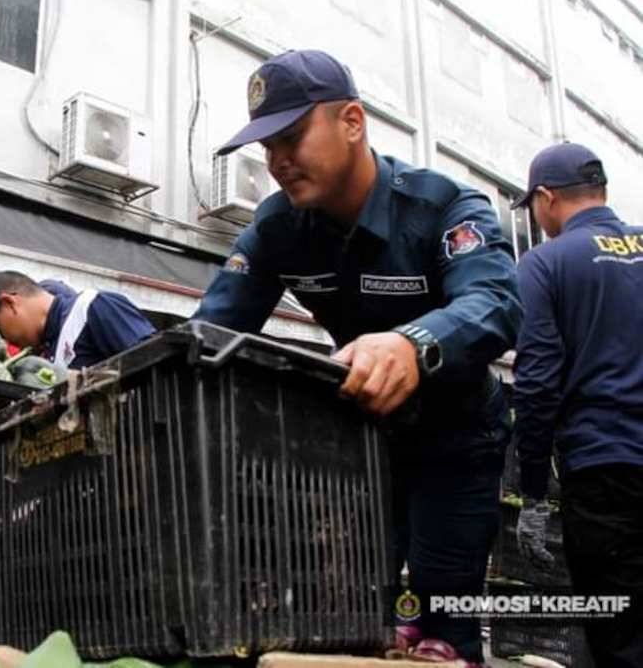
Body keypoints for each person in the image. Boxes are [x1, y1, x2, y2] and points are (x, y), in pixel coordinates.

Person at [192, 49, 521, 665]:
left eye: (292, 137)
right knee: (358, 617)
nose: (278, 161)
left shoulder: (445, 207)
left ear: (352, 121)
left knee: (442, 622)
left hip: (457, 438)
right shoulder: (277, 228)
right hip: (361, 446)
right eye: (267, 146)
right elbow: (211, 331)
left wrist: (414, 344)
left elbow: (496, 301)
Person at [511, 142, 643, 667]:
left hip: (605, 472)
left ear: (546, 198)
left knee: (621, 634)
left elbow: (537, 383)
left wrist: (534, 493)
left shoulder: (545, 264)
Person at [0, 271, 155, 370]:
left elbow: (153, 360)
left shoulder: (92, 306)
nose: (6, 340)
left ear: (9, 303)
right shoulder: (45, 356)